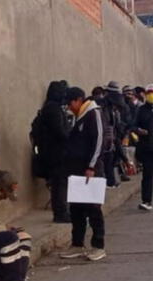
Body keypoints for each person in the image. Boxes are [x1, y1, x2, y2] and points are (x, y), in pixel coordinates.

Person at [59, 87, 107, 262]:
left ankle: (98, 245)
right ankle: (77, 244)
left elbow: (99, 141)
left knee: (93, 209)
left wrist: (91, 166)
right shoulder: (79, 117)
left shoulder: (94, 114)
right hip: (76, 171)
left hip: (90, 172)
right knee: (77, 210)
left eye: (71, 103)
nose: (69, 107)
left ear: (79, 100)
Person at [30, 81, 71, 223]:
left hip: (53, 152)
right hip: (55, 153)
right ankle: (60, 213)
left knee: (60, 183)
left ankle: (62, 211)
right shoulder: (53, 109)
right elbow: (59, 131)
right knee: (59, 184)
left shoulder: (51, 108)